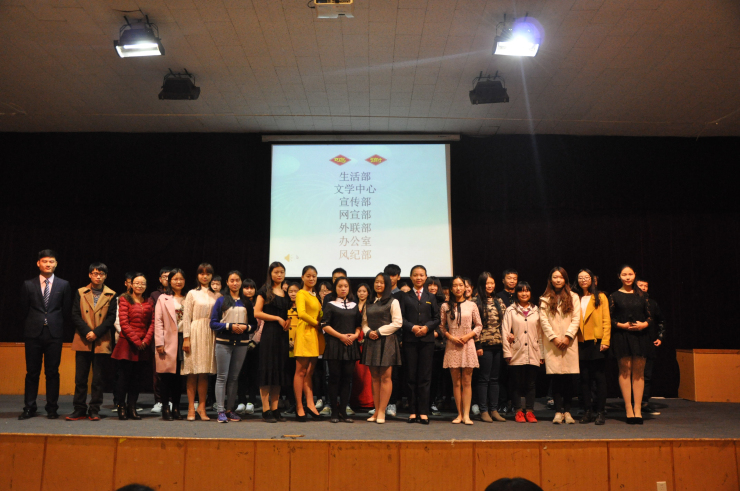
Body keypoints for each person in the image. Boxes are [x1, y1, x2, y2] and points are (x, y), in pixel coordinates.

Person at [19, 249, 72, 420]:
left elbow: (66, 310)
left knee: (52, 372)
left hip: (54, 333)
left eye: (51, 261)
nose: (48, 264)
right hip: (33, 333)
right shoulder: (29, 284)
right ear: (38, 263)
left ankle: (52, 408)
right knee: (32, 372)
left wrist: (56, 325)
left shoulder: (63, 285)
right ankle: (29, 407)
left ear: (56, 264)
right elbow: (23, 309)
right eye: (45, 261)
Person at [67, 262, 117, 421]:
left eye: (101, 274)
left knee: (98, 379)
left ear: (105, 276)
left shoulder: (111, 294)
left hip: (101, 339)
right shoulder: (81, 292)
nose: (98, 277)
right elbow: (75, 314)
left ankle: (94, 409)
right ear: (90, 275)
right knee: (80, 378)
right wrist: (87, 331)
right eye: (95, 273)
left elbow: (111, 318)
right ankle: (79, 409)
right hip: (83, 338)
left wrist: (96, 333)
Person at [210, 271, 256, 423]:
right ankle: (220, 411)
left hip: (241, 344)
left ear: (241, 282)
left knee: (234, 378)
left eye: (237, 280)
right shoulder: (221, 300)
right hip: (223, 342)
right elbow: (213, 323)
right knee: (222, 377)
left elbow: (254, 325)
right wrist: (229, 326)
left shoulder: (246, 302)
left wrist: (245, 328)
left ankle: (230, 410)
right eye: (232, 280)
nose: (235, 283)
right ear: (227, 283)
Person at [610, 265, 652, 424]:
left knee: (639, 373)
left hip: (640, 336)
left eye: (630, 274)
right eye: (624, 274)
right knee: (625, 371)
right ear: (619, 276)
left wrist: (644, 324)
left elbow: (650, 317)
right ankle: (628, 408)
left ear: (635, 275)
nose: (627, 277)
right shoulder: (614, 296)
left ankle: (638, 409)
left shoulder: (642, 295)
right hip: (622, 336)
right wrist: (621, 325)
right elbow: (609, 318)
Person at [399, 265, 439, 425]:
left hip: (427, 341)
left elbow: (437, 318)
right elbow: (400, 318)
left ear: (426, 277)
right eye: (415, 275)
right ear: (411, 277)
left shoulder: (431, 296)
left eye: (421, 275)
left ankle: (423, 412)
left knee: (424, 377)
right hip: (410, 340)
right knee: (411, 376)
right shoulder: (404, 296)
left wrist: (427, 328)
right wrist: (412, 327)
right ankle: (412, 411)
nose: (418, 278)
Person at [539, 267, 581, 424]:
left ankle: (568, 412)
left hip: (569, 342)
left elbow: (576, 318)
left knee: (569, 377)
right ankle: (558, 411)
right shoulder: (544, 299)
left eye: (561, 277)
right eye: (555, 277)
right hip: (553, 343)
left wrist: (568, 336)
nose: (558, 280)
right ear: (550, 279)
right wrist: (554, 338)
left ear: (565, 279)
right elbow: (543, 321)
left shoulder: (573, 297)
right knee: (556, 377)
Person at [111, 272, 154, 420]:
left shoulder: (149, 301)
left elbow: (152, 323)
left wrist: (146, 340)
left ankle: (132, 407)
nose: (139, 286)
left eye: (142, 283)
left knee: (137, 379)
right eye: (137, 283)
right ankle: (121, 406)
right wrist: (137, 341)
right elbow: (124, 323)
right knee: (123, 378)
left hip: (143, 345)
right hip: (127, 344)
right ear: (131, 284)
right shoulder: (124, 299)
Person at [440, 276, 482, 425]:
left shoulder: (472, 305)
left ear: (465, 288)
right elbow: (441, 327)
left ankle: (467, 415)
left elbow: (479, 325)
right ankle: (459, 414)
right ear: (451, 289)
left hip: (467, 344)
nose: (458, 288)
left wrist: (467, 336)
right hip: (452, 345)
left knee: (467, 381)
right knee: (456, 382)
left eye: (461, 285)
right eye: (455, 285)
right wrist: (451, 337)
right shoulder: (445, 306)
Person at [362, 273, 403, 424]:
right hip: (372, 341)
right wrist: (368, 332)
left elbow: (397, 323)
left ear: (387, 285)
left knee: (385, 377)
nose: (378, 285)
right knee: (374, 377)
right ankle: (376, 409)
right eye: (376, 282)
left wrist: (379, 332)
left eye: (382, 282)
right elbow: (364, 323)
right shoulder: (369, 302)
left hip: (387, 341)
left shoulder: (393, 301)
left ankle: (382, 411)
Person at [254, 262, 292, 423]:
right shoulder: (264, 291)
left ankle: (275, 409)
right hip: (269, 334)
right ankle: (265, 409)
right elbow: (257, 313)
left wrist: (287, 321)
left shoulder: (285, 294)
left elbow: (287, 314)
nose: (279, 275)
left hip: (282, 335)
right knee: (267, 371)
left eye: (282, 272)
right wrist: (277, 318)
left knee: (279, 372)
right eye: (276, 272)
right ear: (270, 273)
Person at [181, 263, 219, 421]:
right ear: (197, 276)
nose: (205, 276)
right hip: (195, 331)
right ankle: (191, 407)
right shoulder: (192, 293)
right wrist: (186, 338)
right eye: (202, 273)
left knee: (204, 372)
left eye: (208, 274)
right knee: (192, 372)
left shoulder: (216, 295)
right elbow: (186, 317)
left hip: (210, 333)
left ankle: (202, 408)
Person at [572, 269, 610, 425]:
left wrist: (605, 340)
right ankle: (587, 411)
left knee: (599, 378)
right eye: (580, 277)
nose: (583, 280)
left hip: (597, 341)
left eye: (586, 277)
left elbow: (606, 319)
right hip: (580, 342)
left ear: (592, 279)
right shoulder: (575, 297)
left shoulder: (600, 296)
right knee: (584, 378)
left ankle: (600, 411)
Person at [502, 282, 544, 423]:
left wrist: (541, 354)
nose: (524, 294)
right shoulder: (511, 310)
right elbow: (505, 332)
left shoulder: (537, 310)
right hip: (516, 351)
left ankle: (530, 411)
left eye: (527, 291)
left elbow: (540, 334)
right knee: (516, 383)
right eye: (521, 291)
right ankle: (518, 411)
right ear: (516, 293)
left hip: (533, 351)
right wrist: (507, 352)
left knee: (531, 383)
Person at [322, 276, 361, 423]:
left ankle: (344, 411)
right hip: (334, 344)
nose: (343, 288)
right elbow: (325, 325)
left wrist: (355, 335)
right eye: (340, 286)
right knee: (334, 378)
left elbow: (358, 324)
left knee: (347, 379)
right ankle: (334, 411)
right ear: (335, 288)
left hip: (350, 345)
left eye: (345, 286)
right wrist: (341, 336)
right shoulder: (330, 304)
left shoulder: (354, 305)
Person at [153, 268, 187, 421]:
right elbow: (158, 321)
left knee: (179, 378)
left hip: (184, 340)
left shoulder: (188, 297)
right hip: (168, 341)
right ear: (169, 281)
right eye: (175, 279)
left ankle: (177, 408)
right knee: (166, 377)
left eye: (181, 279)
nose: (178, 282)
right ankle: (165, 407)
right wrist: (159, 342)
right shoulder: (163, 298)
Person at [473, 272, 507, 423]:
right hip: (483, 345)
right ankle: (483, 410)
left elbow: (505, 321)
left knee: (494, 379)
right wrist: (478, 344)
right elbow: (473, 325)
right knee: (483, 379)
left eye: (492, 283)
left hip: (498, 344)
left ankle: (494, 410)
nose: (490, 286)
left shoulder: (498, 300)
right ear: (481, 284)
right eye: (487, 283)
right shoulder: (475, 301)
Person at [293, 265, 323, 421]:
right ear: (302, 277)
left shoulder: (315, 295)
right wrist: (317, 323)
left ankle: (310, 404)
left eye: (314, 276)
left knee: (310, 372)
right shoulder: (301, 293)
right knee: (301, 371)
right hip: (305, 332)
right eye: (308, 276)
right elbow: (302, 313)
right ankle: (299, 406)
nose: (311, 278)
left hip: (314, 335)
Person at [636, 278, 666, 416]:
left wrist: (660, 337)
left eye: (646, 286)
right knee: (632, 374)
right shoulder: (629, 302)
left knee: (646, 375)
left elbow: (661, 321)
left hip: (649, 342)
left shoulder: (652, 303)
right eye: (640, 285)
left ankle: (644, 403)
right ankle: (631, 403)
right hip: (633, 342)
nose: (643, 288)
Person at [236, 278, 260, 415]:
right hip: (239, 341)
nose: (249, 290)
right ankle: (241, 401)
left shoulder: (259, 303)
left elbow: (261, 325)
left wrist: (255, 341)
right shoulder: (238, 303)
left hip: (255, 344)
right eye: (246, 288)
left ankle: (251, 401)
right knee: (240, 373)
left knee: (253, 373)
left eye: (252, 288)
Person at [148, 267, 170, 414]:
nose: (167, 279)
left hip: (174, 336)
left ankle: (171, 400)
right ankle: (159, 401)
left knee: (172, 372)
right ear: (160, 279)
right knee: (157, 371)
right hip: (158, 335)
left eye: (170, 276)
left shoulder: (179, 295)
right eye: (164, 276)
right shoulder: (154, 295)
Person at [383, 264, 403, 418]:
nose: (390, 278)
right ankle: (380, 405)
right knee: (380, 373)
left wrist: (400, 338)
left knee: (393, 373)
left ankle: (392, 403)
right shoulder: (379, 295)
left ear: (398, 277)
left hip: (396, 337)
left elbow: (402, 319)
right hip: (379, 337)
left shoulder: (401, 295)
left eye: (393, 275)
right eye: (388, 275)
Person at [425, 276, 446, 416]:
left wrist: (438, 333)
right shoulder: (421, 301)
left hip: (438, 345)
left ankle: (431, 402)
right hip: (422, 342)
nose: (432, 287)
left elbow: (446, 324)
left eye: (435, 285)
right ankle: (421, 403)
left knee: (435, 377)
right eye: (430, 285)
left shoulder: (443, 304)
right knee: (422, 376)